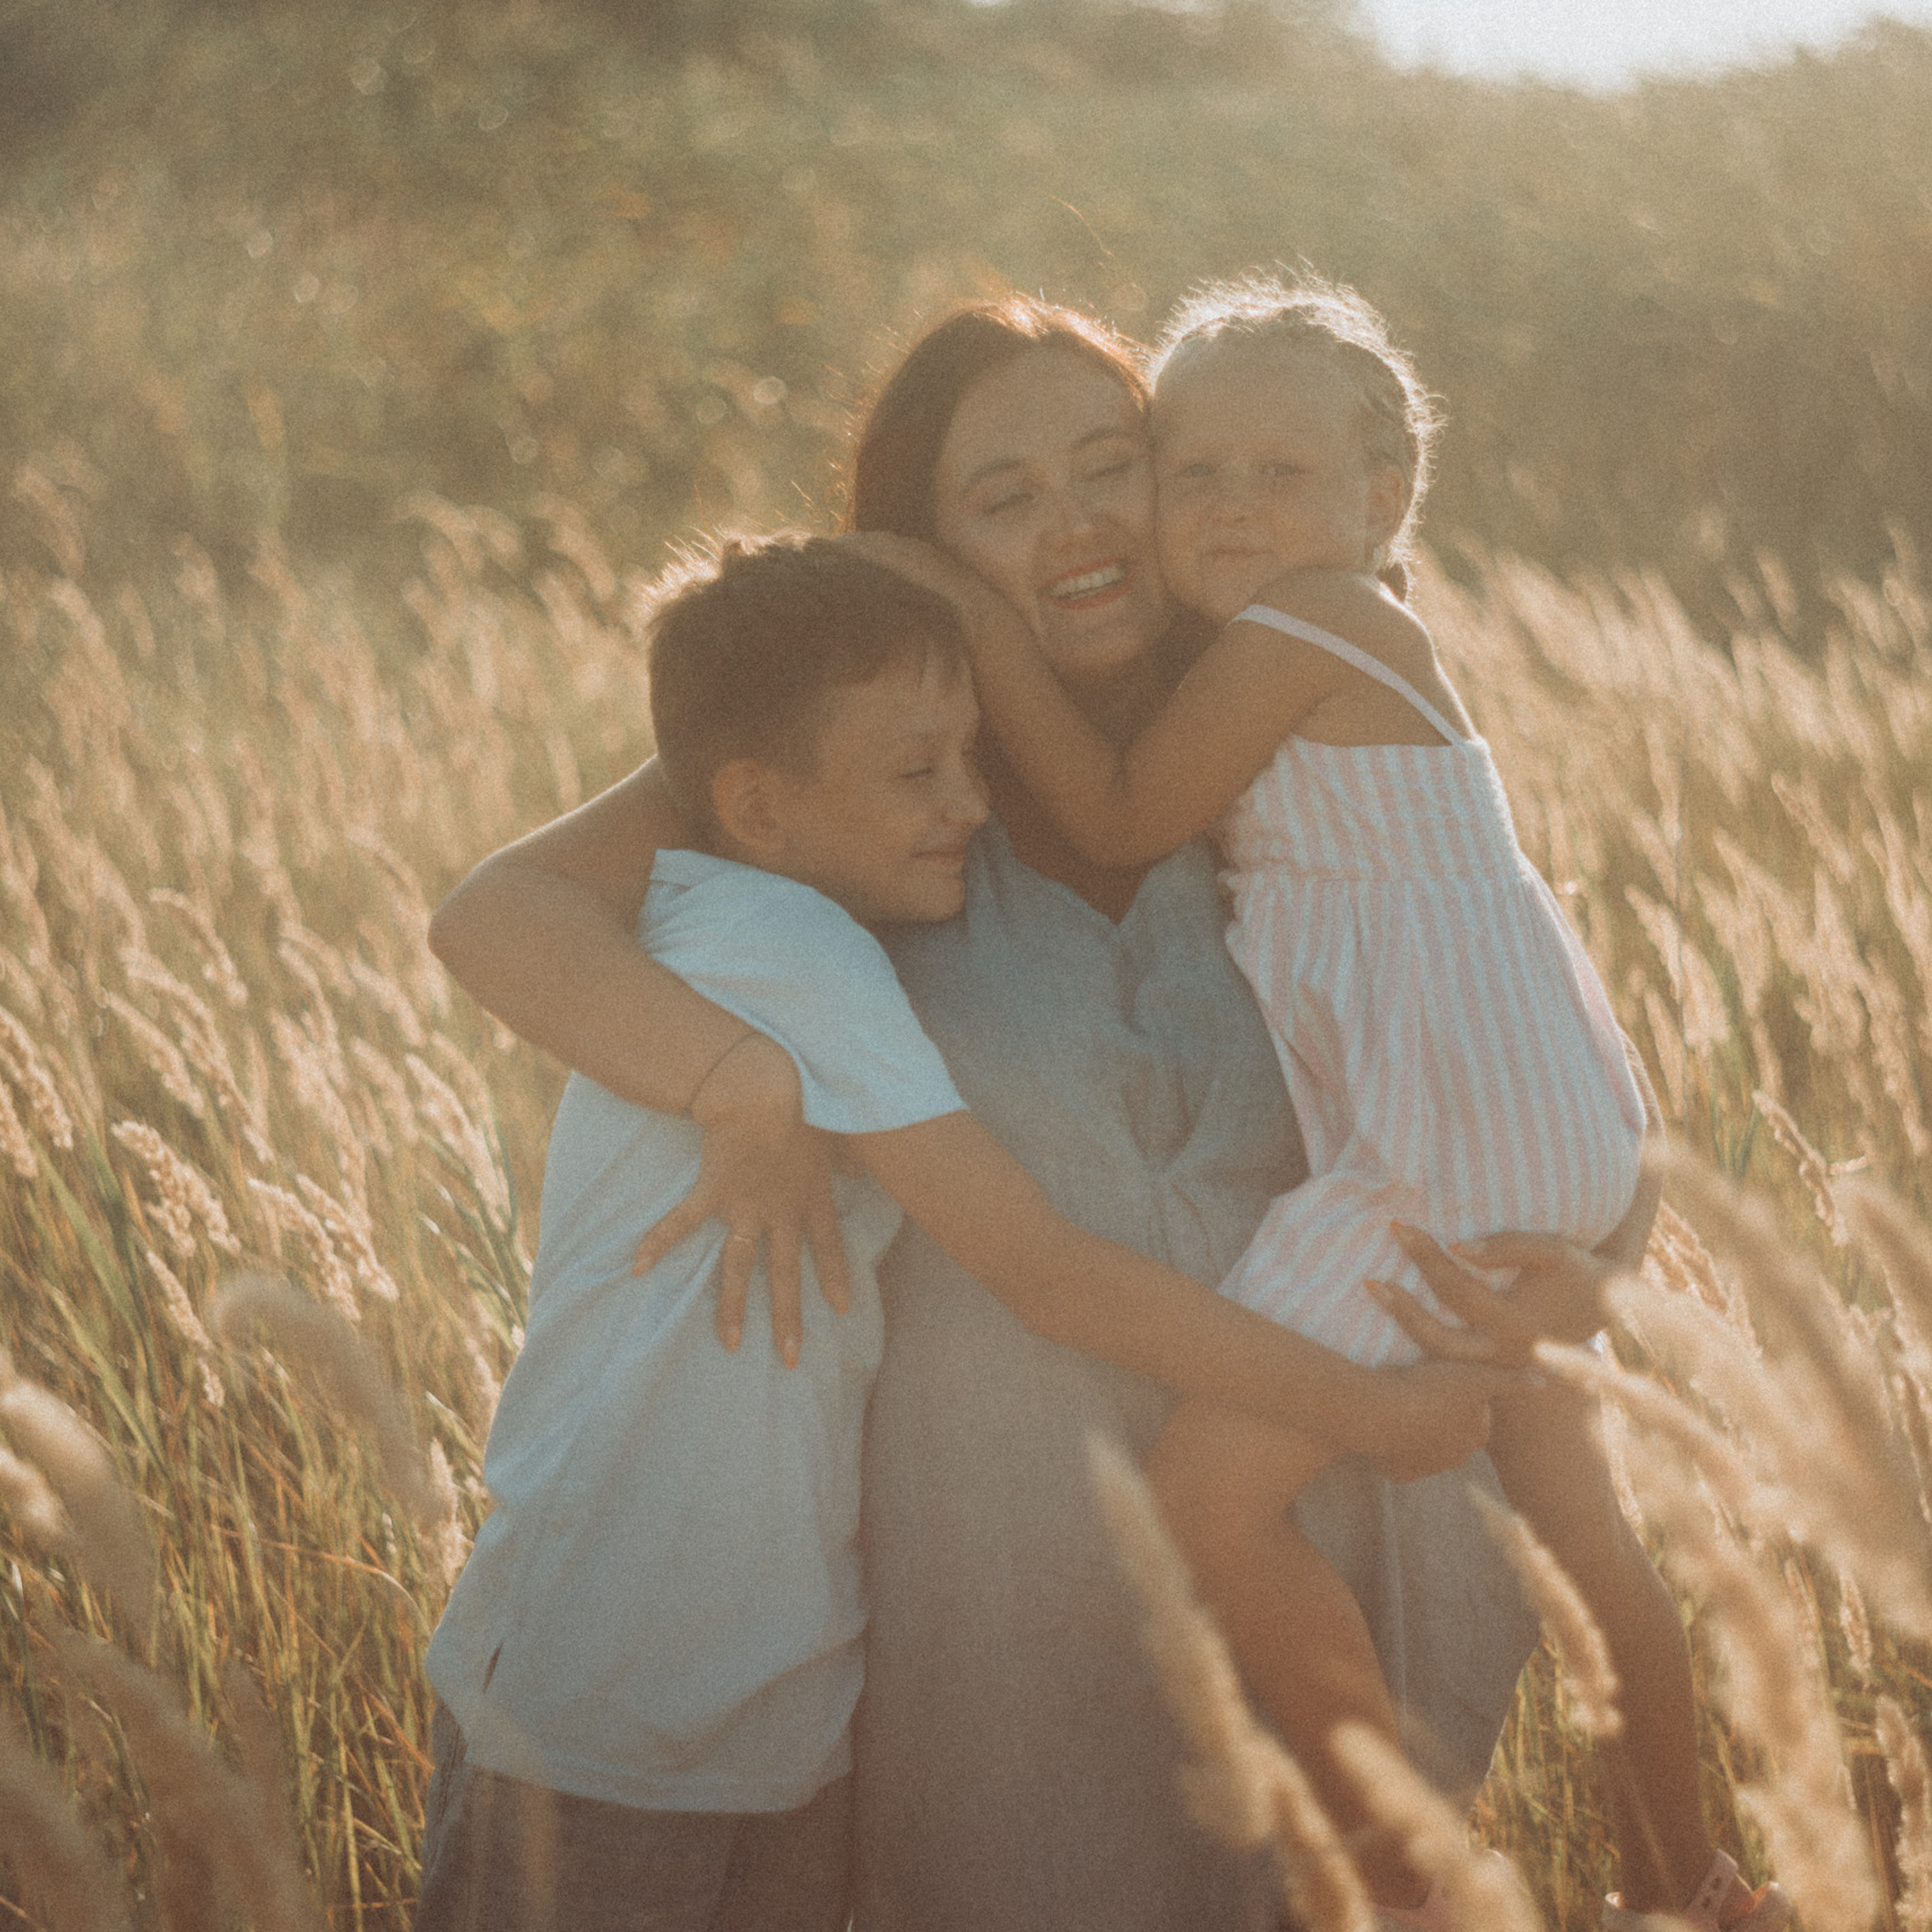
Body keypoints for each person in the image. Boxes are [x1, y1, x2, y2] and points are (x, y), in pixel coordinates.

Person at [425, 295, 1618, 1931]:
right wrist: (738, 1080)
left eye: (1107, 464)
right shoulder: (878, 774)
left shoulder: (1286, 732)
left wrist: (1598, 1272)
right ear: (916, 554)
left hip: (1313, 1550)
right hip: (995, 1612)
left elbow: (1539, 1046)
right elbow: (504, 913)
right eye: (1001, 499)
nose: (1075, 526)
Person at [902, 272, 1786, 1932]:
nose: (1227, 503)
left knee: (1204, 1502)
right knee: (1583, 1530)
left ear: (1383, 500)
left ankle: (1401, 1872)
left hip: (1435, 1149)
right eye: (1193, 471)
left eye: (1278, 473)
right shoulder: (1340, 652)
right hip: (1528, 1117)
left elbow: (1106, 810)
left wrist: (960, 611)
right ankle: (1693, 1882)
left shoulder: (1314, 630)